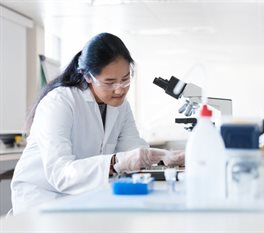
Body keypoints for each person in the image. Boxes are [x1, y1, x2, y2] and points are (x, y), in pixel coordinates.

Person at [11, 33, 184, 214]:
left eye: (125, 79)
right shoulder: (60, 102)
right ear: (87, 77)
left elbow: (133, 151)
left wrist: (164, 157)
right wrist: (117, 162)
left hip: (83, 199)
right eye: (109, 82)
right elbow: (60, 174)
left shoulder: (121, 107)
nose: (119, 89)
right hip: (42, 200)